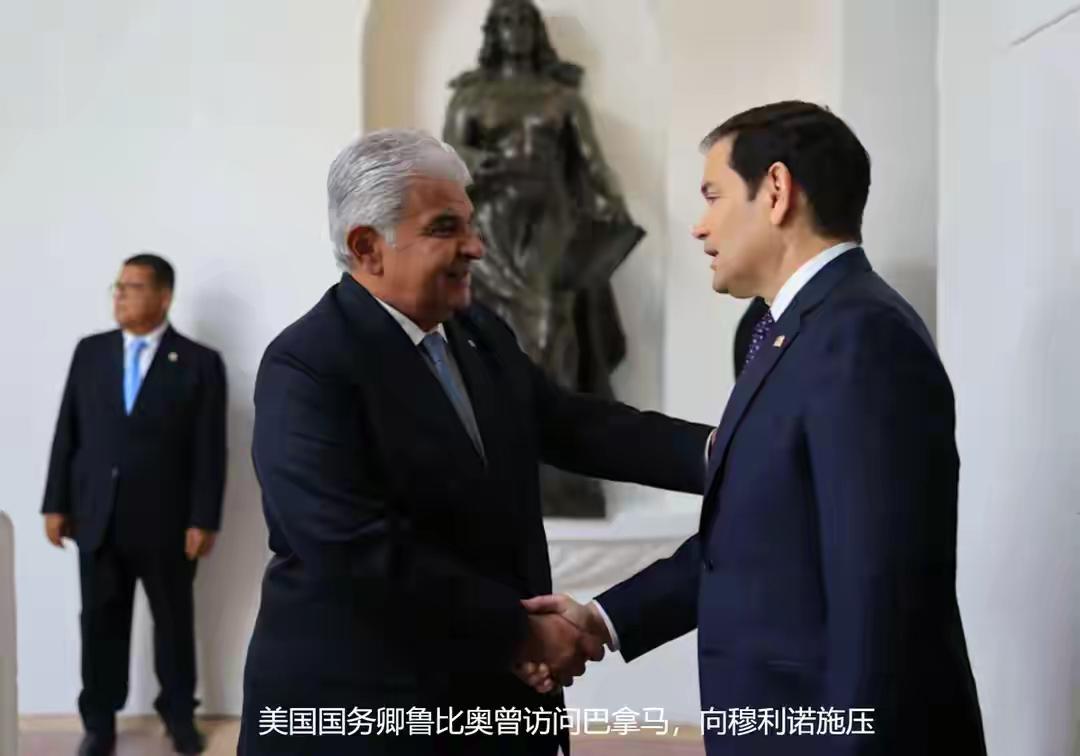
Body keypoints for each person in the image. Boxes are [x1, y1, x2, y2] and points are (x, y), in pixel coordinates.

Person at [522, 102, 987, 755]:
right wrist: (605, 617)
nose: (699, 224)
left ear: (775, 191)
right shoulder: (779, 332)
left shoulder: (863, 337)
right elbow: (755, 535)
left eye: (713, 195)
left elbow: (882, 594)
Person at [236, 129, 711, 756]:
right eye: (446, 229)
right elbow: (351, 547)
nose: (477, 247)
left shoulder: (477, 332)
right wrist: (519, 631)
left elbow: (576, 426)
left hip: (493, 702)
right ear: (367, 247)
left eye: (470, 224)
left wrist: (725, 451)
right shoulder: (308, 365)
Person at [443, 0, 645, 517]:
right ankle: (500, 462)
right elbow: (448, 157)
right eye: (507, 21)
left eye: (524, 21)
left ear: (536, 32)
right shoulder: (471, 96)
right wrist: (478, 161)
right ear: (494, 32)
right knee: (488, 340)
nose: (516, 31)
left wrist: (615, 207)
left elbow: (593, 163)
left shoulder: (562, 98)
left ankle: (557, 466)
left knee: (553, 328)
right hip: (491, 223)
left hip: (548, 221)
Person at [41, 253, 226, 756]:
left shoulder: (198, 362)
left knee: (174, 624)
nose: (120, 294)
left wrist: (204, 518)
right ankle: (99, 722)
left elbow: (210, 449)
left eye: (133, 286)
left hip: (168, 522)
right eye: (118, 286)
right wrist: (55, 504)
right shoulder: (91, 352)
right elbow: (67, 430)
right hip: (96, 516)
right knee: (99, 624)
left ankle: (179, 716)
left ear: (163, 296)